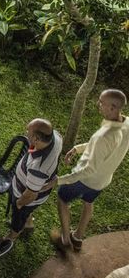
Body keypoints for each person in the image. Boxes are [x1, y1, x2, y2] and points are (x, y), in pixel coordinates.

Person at [51, 89, 129, 253]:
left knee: (62, 198)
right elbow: (104, 147)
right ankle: (78, 238)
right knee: (88, 203)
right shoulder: (127, 123)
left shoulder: (103, 136)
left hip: (86, 179)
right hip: (102, 181)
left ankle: (65, 240)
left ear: (113, 108)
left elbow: (87, 170)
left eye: (102, 102)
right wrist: (78, 149)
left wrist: (60, 180)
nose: (98, 105)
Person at [7, 118, 63, 240]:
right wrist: (50, 181)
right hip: (38, 187)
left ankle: (12, 236)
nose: (26, 132)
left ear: (37, 139)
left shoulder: (38, 168)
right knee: (27, 211)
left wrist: (19, 203)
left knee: (18, 216)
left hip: (25, 195)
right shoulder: (56, 137)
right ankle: (28, 223)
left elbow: (31, 194)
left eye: (28, 131)